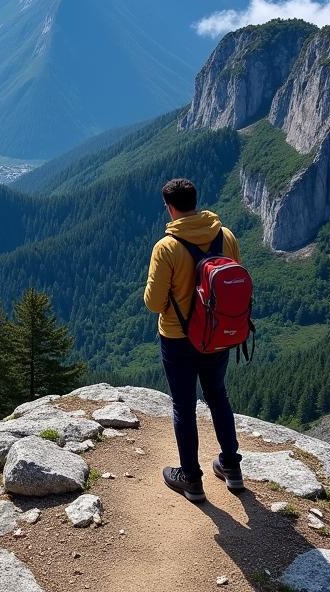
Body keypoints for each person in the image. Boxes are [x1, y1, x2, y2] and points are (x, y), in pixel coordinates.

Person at [144, 177, 244, 502]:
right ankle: (231, 466)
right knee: (218, 394)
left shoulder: (167, 247)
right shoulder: (225, 236)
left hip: (177, 337)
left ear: (170, 208)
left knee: (183, 406)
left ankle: (191, 479)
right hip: (216, 335)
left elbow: (154, 302)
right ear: (195, 202)